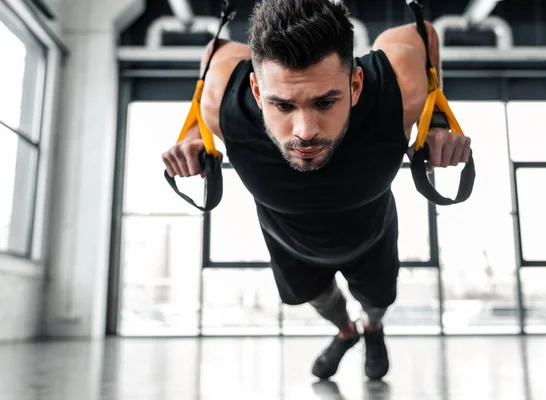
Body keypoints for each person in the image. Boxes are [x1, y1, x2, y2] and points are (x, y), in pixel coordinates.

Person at [162, 0, 471, 380]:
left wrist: (436, 118)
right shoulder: (224, 102)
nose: (304, 130)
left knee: (376, 302)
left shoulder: (398, 91)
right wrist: (194, 133)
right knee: (321, 300)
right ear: (257, 91)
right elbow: (217, 52)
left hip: (371, 233)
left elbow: (424, 36)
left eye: (326, 101)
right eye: (282, 104)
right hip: (288, 241)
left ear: (355, 84)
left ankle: (372, 329)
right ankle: (346, 332)